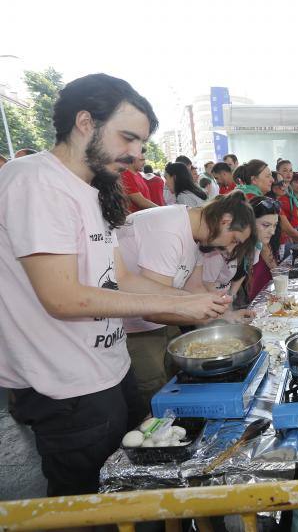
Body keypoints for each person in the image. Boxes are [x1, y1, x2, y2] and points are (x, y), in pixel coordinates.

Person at [0, 73, 229, 496]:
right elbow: (62, 298)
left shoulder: (92, 190)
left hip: (108, 368)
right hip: (65, 384)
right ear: (85, 121)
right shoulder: (36, 181)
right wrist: (180, 309)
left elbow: (121, 278)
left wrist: (196, 299)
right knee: (89, 504)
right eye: (128, 138)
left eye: (141, 144)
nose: (137, 154)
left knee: (128, 488)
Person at [118, 192, 258, 404]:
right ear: (225, 220)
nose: (230, 249)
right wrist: (202, 317)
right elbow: (153, 308)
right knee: (155, 390)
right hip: (133, 327)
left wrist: (226, 315)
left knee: (175, 378)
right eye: (234, 240)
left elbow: (195, 286)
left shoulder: (199, 234)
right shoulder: (169, 230)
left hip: (158, 321)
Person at [246, 196, 282, 301]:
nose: (272, 232)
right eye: (266, 225)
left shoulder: (262, 243)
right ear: (250, 221)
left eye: (275, 225)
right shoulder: (237, 246)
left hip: (265, 298)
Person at [272, 177, 298, 257]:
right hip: (285, 236)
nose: (283, 186)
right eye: (296, 182)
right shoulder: (281, 200)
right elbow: (287, 228)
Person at [121, 147, 158, 212]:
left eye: (144, 160)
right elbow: (141, 202)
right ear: (131, 160)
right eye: (141, 160)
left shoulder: (139, 175)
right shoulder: (125, 175)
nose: (144, 163)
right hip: (135, 219)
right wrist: (161, 210)